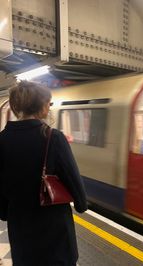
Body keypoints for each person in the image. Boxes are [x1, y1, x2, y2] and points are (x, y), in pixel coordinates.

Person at [0, 80, 88, 266]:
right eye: (49, 103)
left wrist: (4, 211)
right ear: (41, 106)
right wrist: (81, 204)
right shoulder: (52, 137)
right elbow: (72, 176)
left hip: (20, 222)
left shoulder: (2, 139)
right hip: (52, 223)